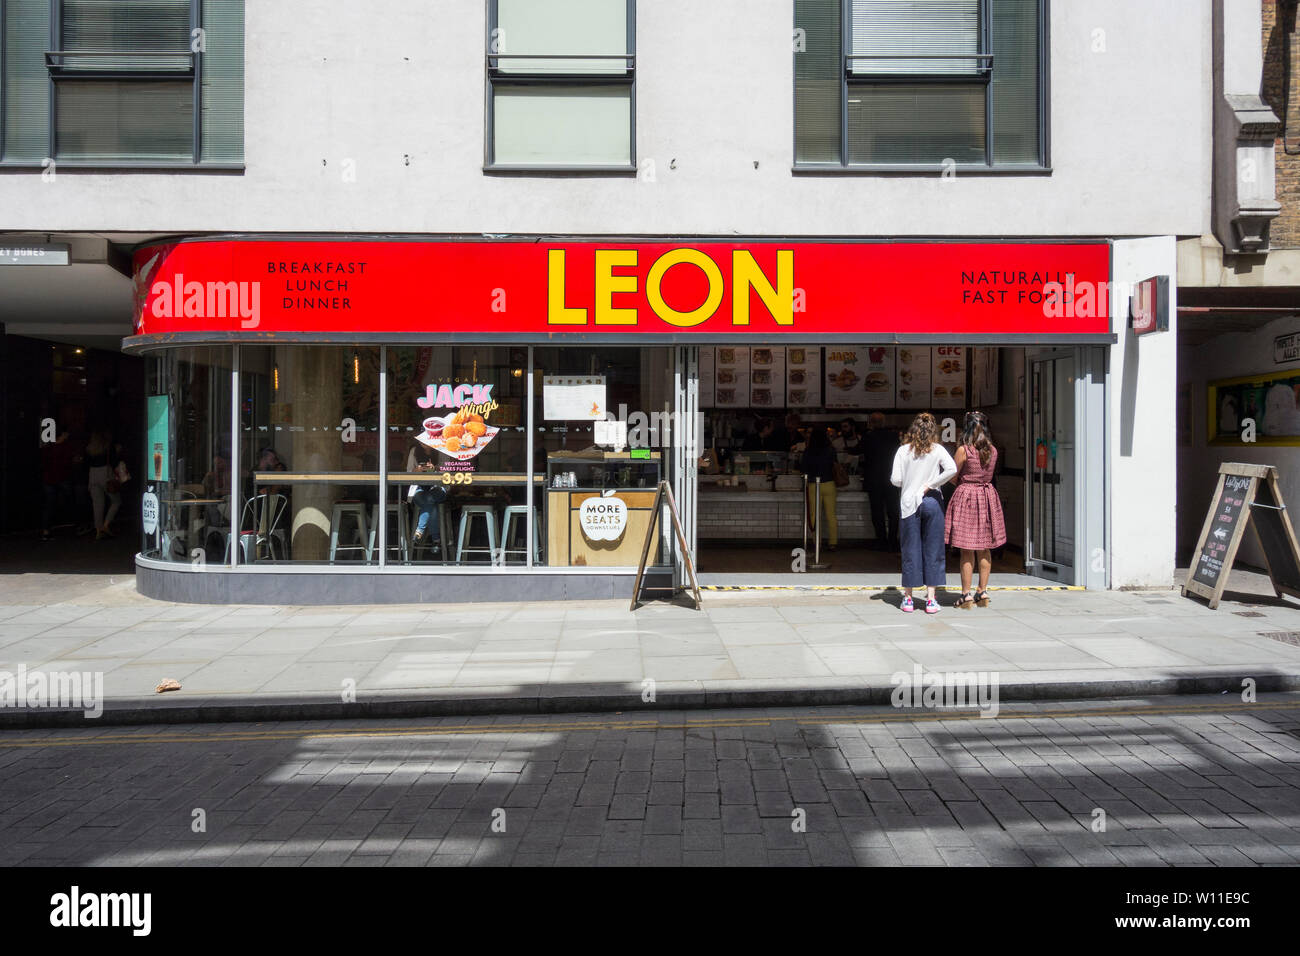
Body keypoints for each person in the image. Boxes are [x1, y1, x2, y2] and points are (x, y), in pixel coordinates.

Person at [891, 412, 957, 614]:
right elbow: (952, 469)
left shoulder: (903, 451)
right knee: (934, 550)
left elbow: (895, 480)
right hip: (932, 502)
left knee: (910, 549)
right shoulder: (937, 449)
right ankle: (930, 600)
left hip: (909, 503)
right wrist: (931, 484)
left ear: (913, 430)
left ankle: (909, 599)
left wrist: (911, 482)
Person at [945, 411, 1007, 609]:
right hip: (988, 496)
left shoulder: (964, 450)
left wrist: (964, 483)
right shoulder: (993, 450)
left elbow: (952, 476)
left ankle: (966, 594)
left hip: (967, 496)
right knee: (985, 547)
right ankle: (983, 590)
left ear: (967, 428)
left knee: (966, 549)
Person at [862, 412, 900, 551]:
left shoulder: (868, 437)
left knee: (877, 513)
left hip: (873, 480)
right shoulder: (894, 436)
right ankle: (893, 542)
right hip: (891, 480)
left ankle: (881, 541)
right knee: (893, 512)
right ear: (884, 422)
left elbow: (858, 451)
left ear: (871, 422)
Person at [406, 438, 449, 551]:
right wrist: (416, 470)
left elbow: (447, 472)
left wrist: (435, 469)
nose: (423, 441)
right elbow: (408, 472)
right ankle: (436, 540)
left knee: (430, 498)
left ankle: (420, 530)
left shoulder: (442, 449)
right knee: (431, 504)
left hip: (438, 487)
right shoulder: (414, 451)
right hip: (419, 487)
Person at [801, 426, 838, 552]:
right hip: (829, 484)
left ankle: (817, 542)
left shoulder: (808, 450)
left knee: (814, 515)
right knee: (831, 515)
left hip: (813, 484)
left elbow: (804, 468)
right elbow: (835, 465)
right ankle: (833, 543)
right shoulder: (831, 450)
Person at [85, 430, 122, 540]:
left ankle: (98, 530)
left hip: (92, 475)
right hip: (105, 474)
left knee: (97, 504)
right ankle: (106, 525)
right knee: (116, 501)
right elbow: (114, 461)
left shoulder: (88, 449)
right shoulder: (108, 447)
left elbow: (85, 463)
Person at [40, 429, 76, 540]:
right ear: (63, 435)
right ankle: (73, 525)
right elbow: (68, 462)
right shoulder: (66, 447)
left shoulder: (48, 448)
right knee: (71, 501)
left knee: (49, 505)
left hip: (49, 479)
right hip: (62, 478)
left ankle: (46, 530)